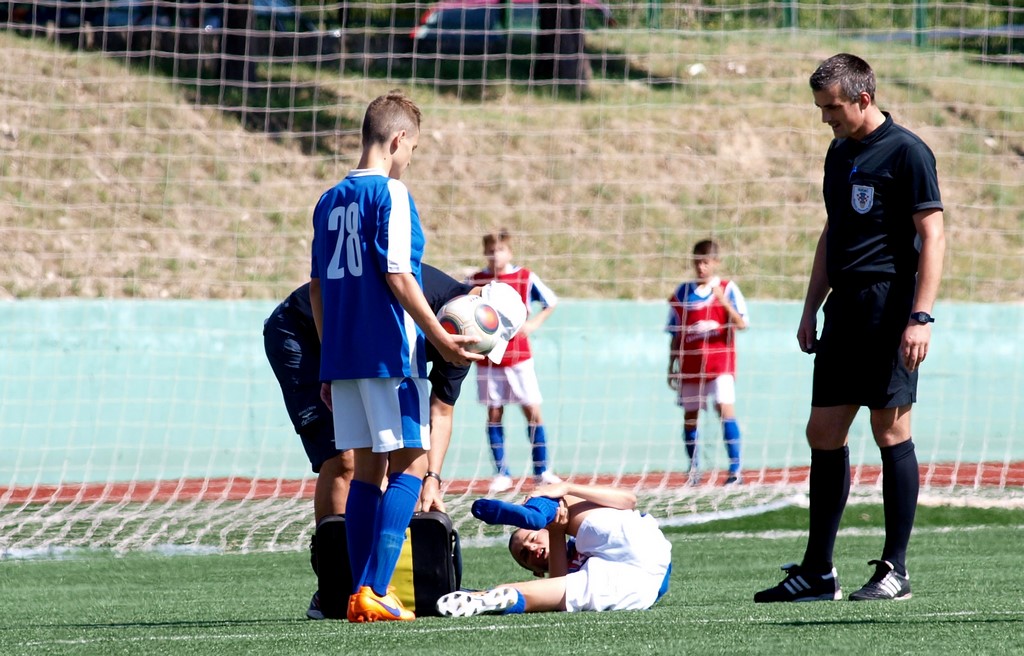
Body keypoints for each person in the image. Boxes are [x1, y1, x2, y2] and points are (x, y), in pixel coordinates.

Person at [755, 54, 944, 603]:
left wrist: (920, 317)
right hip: (844, 309)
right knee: (823, 431)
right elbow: (832, 231)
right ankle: (819, 572)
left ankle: (895, 570)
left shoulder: (907, 152)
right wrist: (810, 307)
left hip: (890, 307)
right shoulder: (838, 152)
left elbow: (933, 235)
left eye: (832, 107)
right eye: (821, 108)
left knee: (890, 431)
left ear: (863, 98)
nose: (825, 118)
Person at [309, 90, 484, 623]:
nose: (410, 159)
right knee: (413, 464)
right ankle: (376, 587)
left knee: (367, 471)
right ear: (398, 139)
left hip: (344, 357)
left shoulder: (328, 199)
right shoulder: (393, 193)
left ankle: (359, 592)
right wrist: (440, 338)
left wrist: (328, 361)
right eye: (413, 149)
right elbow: (399, 275)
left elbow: (317, 288)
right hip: (389, 354)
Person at [264, 267, 524, 619]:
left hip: (356, 353)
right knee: (344, 459)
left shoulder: (466, 339)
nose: (479, 342)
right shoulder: (420, 290)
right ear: (475, 300)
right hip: (303, 333)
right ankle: (334, 584)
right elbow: (328, 293)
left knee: (386, 465)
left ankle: (368, 589)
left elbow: (441, 410)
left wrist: (432, 478)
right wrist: (332, 369)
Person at [435, 482, 672, 616]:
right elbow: (559, 587)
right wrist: (556, 533)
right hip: (633, 590)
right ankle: (479, 601)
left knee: (562, 509)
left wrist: (566, 487)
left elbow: (629, 500)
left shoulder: (580, 533)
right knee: (523, 593)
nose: (531, 547)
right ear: (537, 571)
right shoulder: (565, 572)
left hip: (644, 550)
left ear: (543, 532)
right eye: (525, 555)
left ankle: (538, 513)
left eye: (532, 537)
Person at [468, 228, 561, 493]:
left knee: (532, 411)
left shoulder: (525, 276)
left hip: (519, 357)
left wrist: (533, 324)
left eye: (500, 250)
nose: (495, 255)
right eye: (490, 251)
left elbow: (551, 302)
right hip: (488, 359)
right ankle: (502, 473)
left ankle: (542, 470)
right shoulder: (476, 280)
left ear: (509, 252)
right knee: (494, 412)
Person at [666, 239, 749, 485]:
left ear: (715, 262)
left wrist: (723, 301)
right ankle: (693, 470)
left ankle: (735, 469)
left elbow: (742, 324)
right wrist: (672, 365)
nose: (701, 267)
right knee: (690, 417)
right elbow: (675, 333)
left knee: (725, 409)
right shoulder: (682, 292)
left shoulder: (727, 288)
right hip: (691, 366)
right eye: (697, 262)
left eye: (705, 262)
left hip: (720, 364)